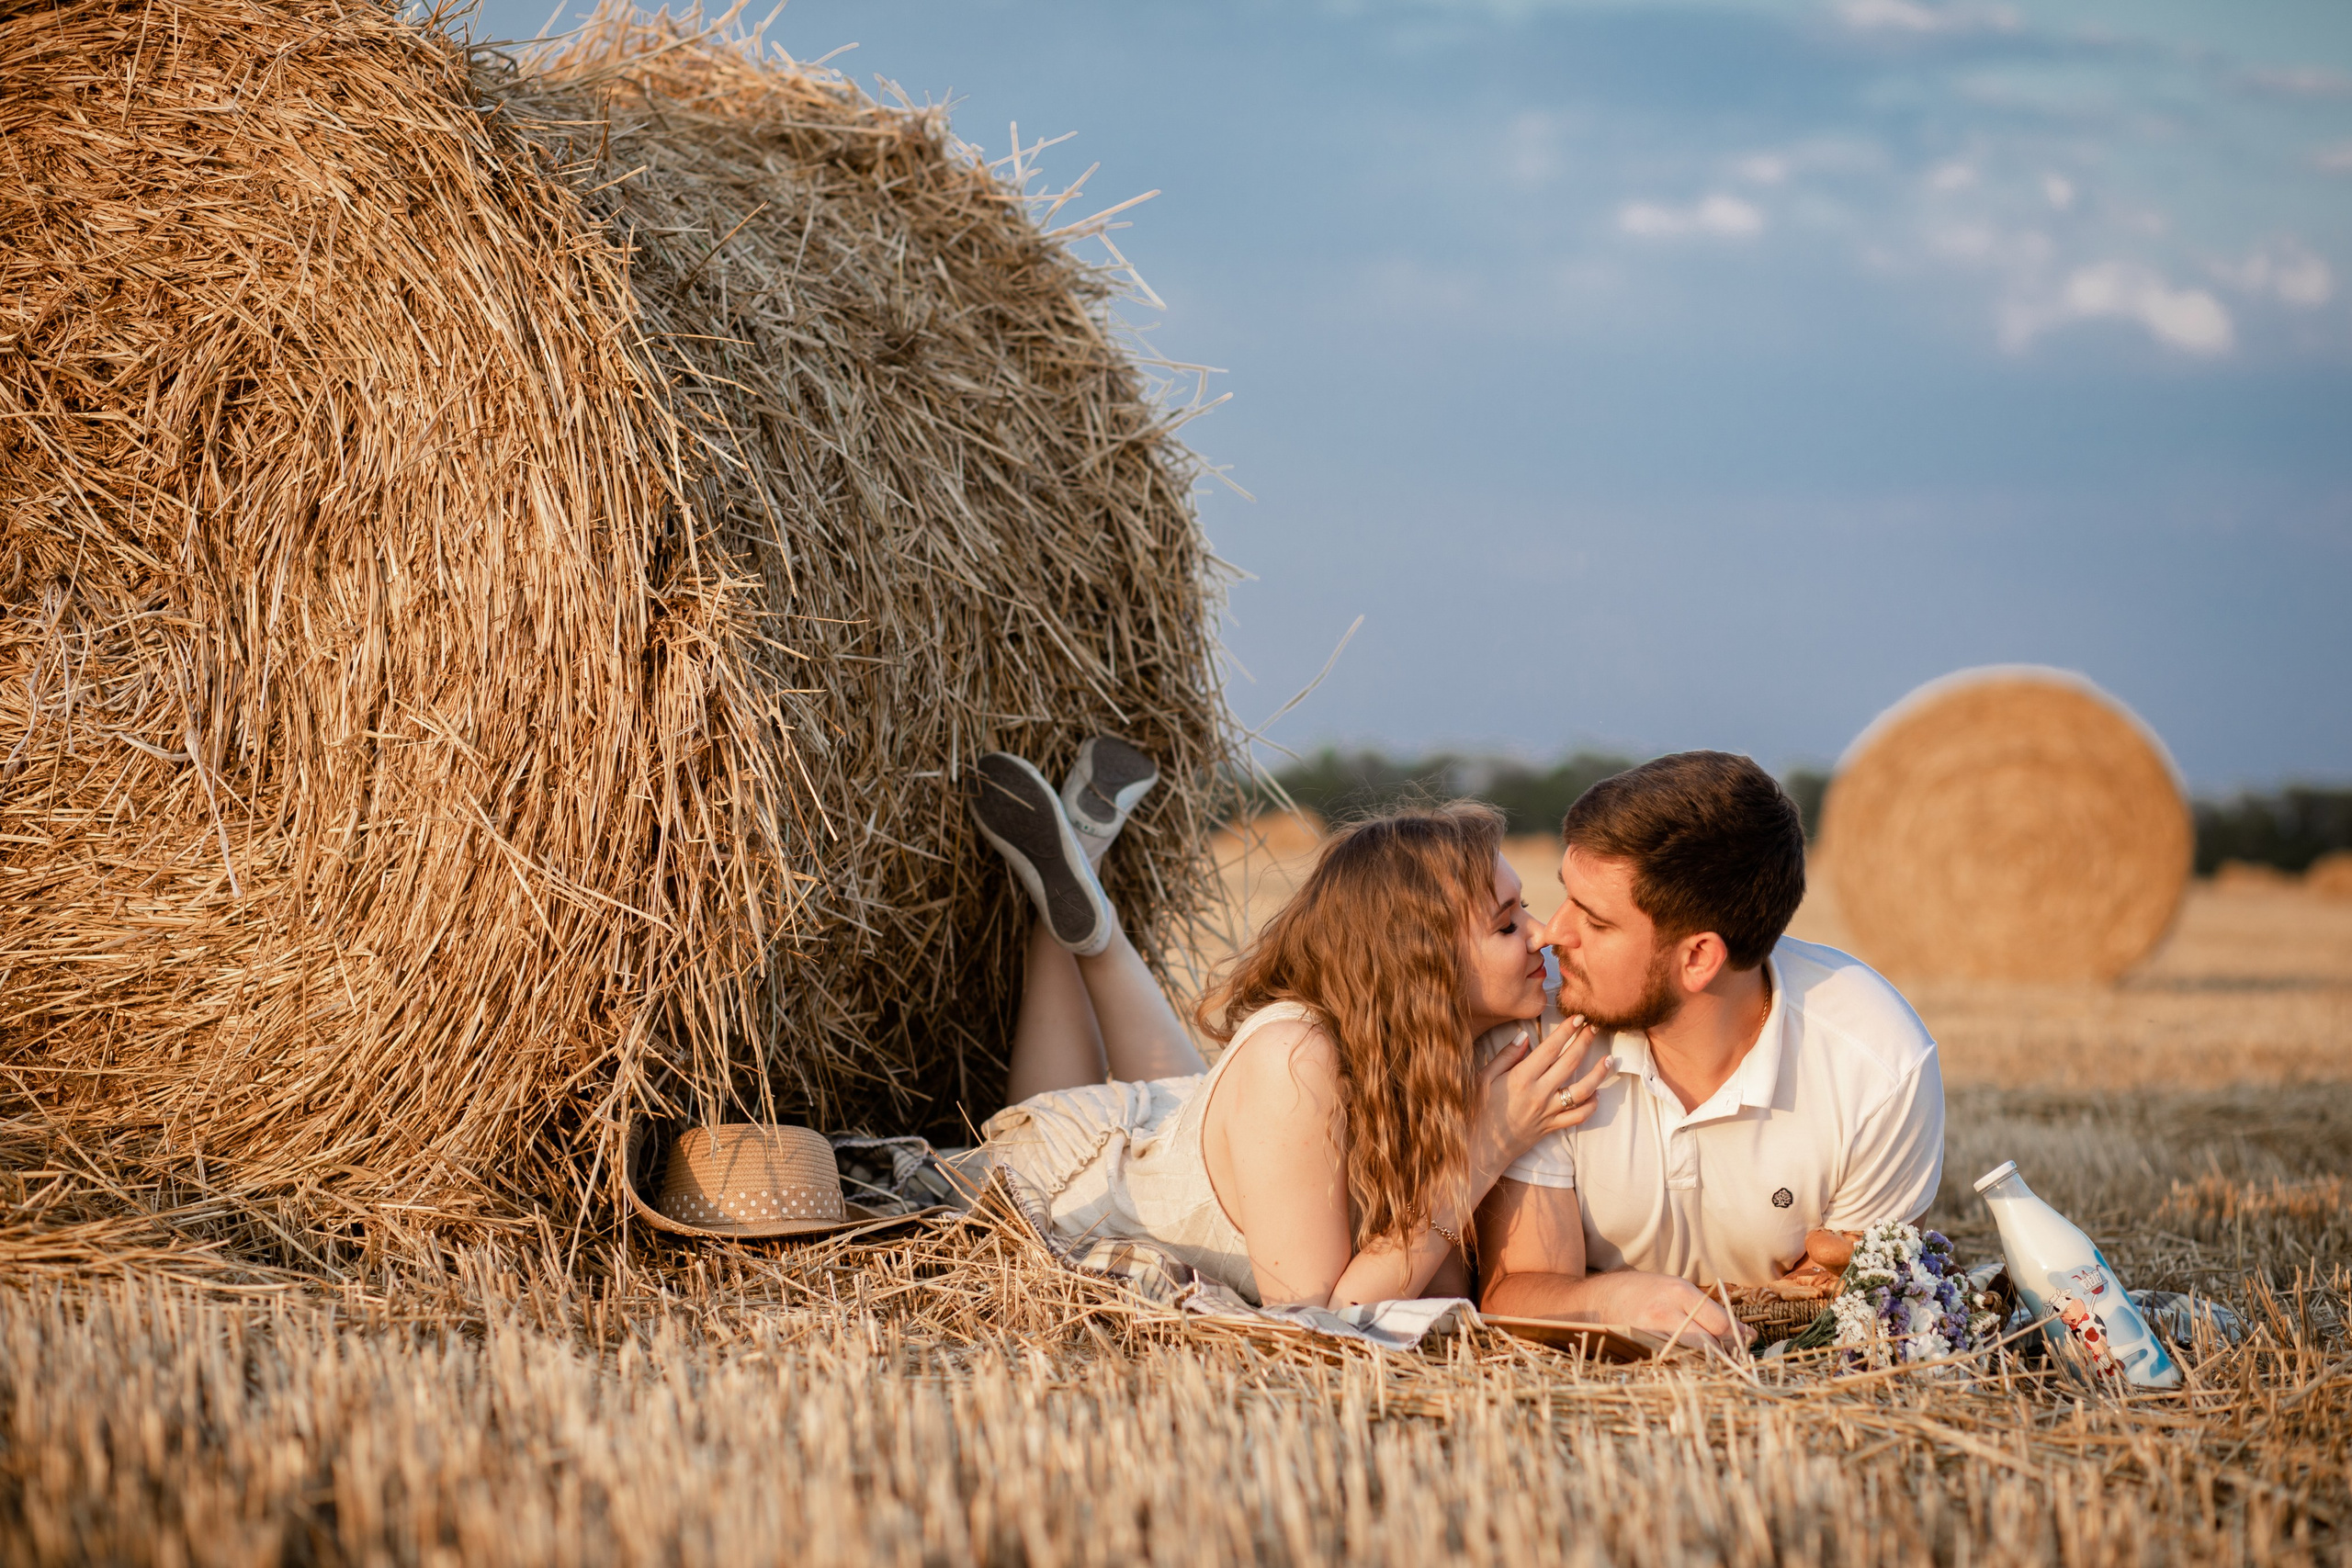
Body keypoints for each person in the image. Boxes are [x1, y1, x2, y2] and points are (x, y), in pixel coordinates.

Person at [965, 740, 1611, 1309]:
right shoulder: (1298, 1058)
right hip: (1065, 1170)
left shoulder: (1443, 1054)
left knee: (1186, 1103)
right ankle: (1077, 906)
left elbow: (1431, 1290)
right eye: (1506, 923)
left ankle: (1082, 893)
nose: (1543, 932)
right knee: (1078, 1154)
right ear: (1421, 966)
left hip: (1179, 1130)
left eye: (1524, 907)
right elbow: (1316, 1318)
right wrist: (1483, 1148)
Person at [1474, 751, 1947, 1350]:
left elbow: (1851, 1302)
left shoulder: (1879, 1067)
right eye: (1565, 896)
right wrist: (1616, 1299)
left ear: (1698, 958)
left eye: (1593, 921)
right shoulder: (1537, 1022)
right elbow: (1515, 1295)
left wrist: (1584, 1297)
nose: (1548, 933)